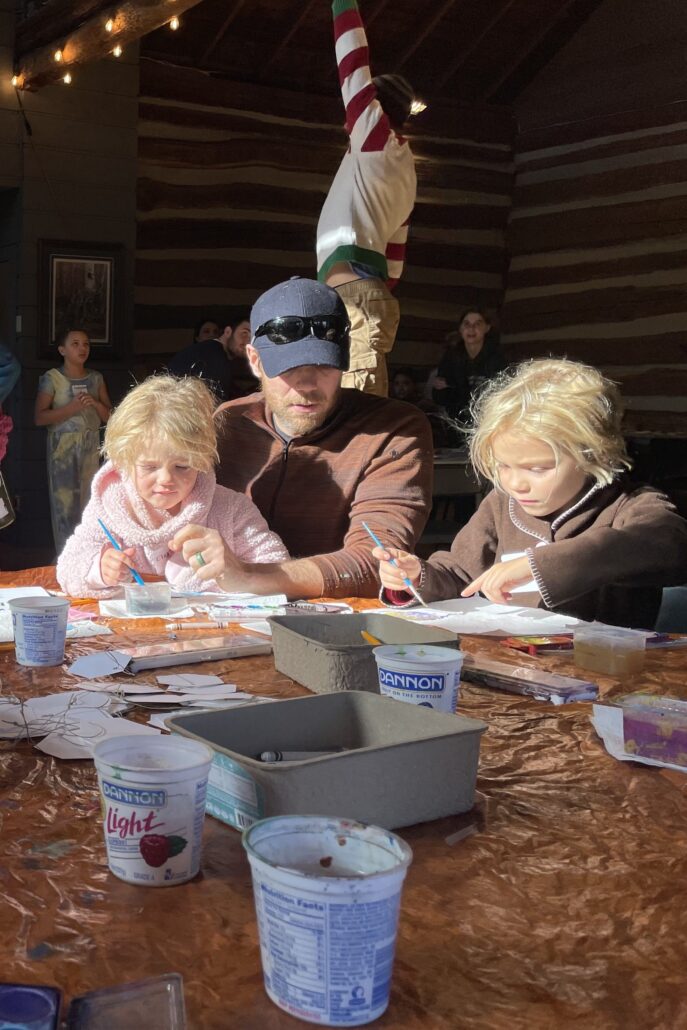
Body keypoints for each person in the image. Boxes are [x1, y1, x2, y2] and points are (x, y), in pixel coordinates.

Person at [375, 358, 687, 628]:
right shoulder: (502, 505)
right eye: (504, 466)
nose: (516, 483)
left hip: (602, 674)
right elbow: (461, 574)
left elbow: (667, 544)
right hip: (513, 668)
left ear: (592, 454)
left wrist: (540, 565)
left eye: (538, 469)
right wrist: (418, 576)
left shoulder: (628, 506)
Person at [213, 277, 433, 600]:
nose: (307, 385)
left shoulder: (392, 430)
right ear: (255, 360)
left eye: (324, 365)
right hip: (224, 613)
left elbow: (375, 562)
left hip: (342, 625)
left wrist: (249, 576)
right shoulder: (227, 424)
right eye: (288, 368)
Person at [56, 375, 288, 598]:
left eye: (182, 466)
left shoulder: (232, 510)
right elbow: (67, 568)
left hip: (208, 636)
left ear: (203, 460)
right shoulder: (110, 507)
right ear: (124, 460)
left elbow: (280, 568)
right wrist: (98, 569)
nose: (166, 478)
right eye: (149, 467)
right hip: (134, 635)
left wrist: (236, 569)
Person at [316, 0, 418, 398]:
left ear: (377, 105)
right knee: (352, 408)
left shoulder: (373, 138)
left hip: (355, 298)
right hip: (362, 294)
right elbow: (394, 264)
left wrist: (343, 2)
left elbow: (353, 64)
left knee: (357, 414)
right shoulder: (404, 169)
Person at [35, 328, 112, 555]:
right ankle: (65, 558)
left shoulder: (96, 378)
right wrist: (72, 408)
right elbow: (39, 417)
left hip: (89, 448)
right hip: (63, 450)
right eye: (75, 344)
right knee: (64, 504)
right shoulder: (52, 379)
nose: (82, 348)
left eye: (86, 344)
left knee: (89, 502)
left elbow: (110, 417)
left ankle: (89, 556)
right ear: (62, 350)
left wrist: (96, 405)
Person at [433, 308, 506, 421]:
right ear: (460, 328)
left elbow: (496, 395)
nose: (471, 328)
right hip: (456, 421)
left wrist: (454, 387)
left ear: (487, 328)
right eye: (466, 324)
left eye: (478, 324)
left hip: (487, 420)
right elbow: (439, 396)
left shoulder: (498, 357)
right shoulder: (451, 357)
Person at [167, 317, 253, 402]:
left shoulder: (209, 351)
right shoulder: (214, 355)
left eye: (252, 336)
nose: (248, 340)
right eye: (244, 333)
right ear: (228, 332)